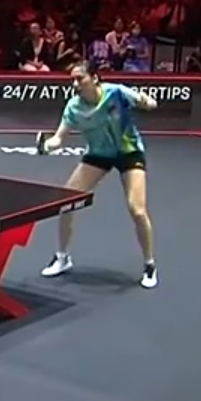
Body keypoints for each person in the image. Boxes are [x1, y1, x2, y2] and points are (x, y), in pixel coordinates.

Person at [39, 65, 159, 289]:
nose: (75, 84)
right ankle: (62, 257)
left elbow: (148, 103)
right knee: (66, 202)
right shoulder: (74, 107)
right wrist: (47, 145)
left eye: (79, 79)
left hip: (129, 152)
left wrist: (148, 102)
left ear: (94, 78)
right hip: (98, 154)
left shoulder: (116, 92)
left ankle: (149, 265)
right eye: (73, 80)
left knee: (137, 209)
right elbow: (58, 138)